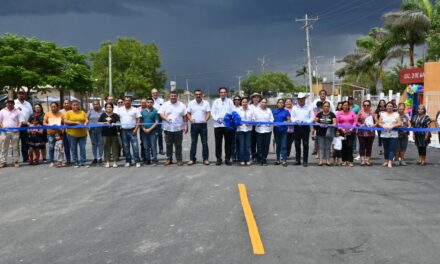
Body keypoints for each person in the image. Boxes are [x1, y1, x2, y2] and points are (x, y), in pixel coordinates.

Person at [158, 91, 188, 166]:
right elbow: (161, 114)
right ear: (169, 96)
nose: (173, 97)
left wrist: (186, 126)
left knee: (178, 145)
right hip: (168, 129)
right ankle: (169, 159)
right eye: (172, 96)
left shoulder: (181, 105)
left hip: (178, 129)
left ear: (177, 96)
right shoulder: (165, 104)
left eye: (175, 96)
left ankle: (179, 159)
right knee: (168, 144)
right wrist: (166, 119)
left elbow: (185, 116)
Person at [211, 87, 234, 166]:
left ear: (226, 93)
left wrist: (229, 119)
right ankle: (218, 159)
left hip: (227, 126)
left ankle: (227, 159)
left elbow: (232, 112)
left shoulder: (230, 101)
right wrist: (217, 119)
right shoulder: (216, 102)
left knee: (228, 143)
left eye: (224, 92)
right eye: (221, 92)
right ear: (219, 93)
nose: (223, 93)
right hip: (218, 125)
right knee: (218, 143)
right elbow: (212, 113)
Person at [187, 89, 211, 166]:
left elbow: (208, 113)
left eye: (199, 94)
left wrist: (206, 119)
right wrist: (190, 119)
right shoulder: (191, 103)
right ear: (195, 95)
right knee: (193, 142)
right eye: (196, 94)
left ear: (201, 95)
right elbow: (188, 113)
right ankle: (192, 159)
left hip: (203, 125)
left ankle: (205, 159)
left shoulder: (206, 103)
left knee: (204, 143)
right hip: (194, 125)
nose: (198, 95)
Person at [63, 100, 89, 168]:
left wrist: (86, 123)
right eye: (74, 105)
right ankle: (75, 162)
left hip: (83, 134)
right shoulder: (68, 113)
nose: (75, 106)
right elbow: (65, 121)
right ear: (71, 106)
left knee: (82, 148)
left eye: (77, 105)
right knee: (73, 148)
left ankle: (83, 162)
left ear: (79, 105)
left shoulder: (82, 112)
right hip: (72, 134)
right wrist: (75, 123)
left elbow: (86, 119)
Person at [291, 92, 314, 167]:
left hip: (305, 128)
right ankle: (297, 160)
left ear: (304, 99)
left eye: (302, 99)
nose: (301, 100)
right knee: (297, 144)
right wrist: (295, 120)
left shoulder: (309, 107)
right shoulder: (294, 108)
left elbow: (312, 117)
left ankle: (305, 161)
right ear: (297, 100)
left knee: (305, 144)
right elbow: (292, 117)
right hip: (297, 127)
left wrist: (307, 122)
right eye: (299, 99)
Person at [118, 96, 141, 168]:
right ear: (124, 101)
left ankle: (137, 161)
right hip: (123, 131)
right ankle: (128, 161)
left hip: (132, 130)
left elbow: (138, 120)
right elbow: (116, 118)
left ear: (131, 102)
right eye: (126, 100)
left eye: (128, 100)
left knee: (135, 146)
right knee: (126, 147)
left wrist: (136, 129)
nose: (127, 102)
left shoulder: (135, 109)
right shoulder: (119, 109)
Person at [0, 99, 24, 168]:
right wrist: (2, 127)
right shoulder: (2, 111)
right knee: (3, 147)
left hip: (15, 132)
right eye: (8, 103)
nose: (10, 104)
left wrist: (17, 128)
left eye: (11, 103)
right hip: (4, 132)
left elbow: (21, 121)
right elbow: (0, 121)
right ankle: (3, 162)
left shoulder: (18, 111)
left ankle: (15, 161)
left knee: (15, 147)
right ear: (6, 104)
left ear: (13, 104)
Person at [379, 102, 402, 168]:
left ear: (393, 107)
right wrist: (383, 125)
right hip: (384, 133)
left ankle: (390, 162)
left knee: (392, 148)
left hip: (393, 134)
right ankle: (386, 160)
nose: (389, 107)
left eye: (391, 106)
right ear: (386, 107)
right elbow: (379, 122)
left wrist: (393, 126)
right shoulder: (382, 114)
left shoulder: (396, 114)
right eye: (388, 106)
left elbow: (399, 123)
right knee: (386, 148)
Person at [98, 103, 120, 168]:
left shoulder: (115, 115)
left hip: (114, 134)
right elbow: (98, 122)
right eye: (107, 107)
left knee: (115, 147)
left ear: (112, 108)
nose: (109, 108)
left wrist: (115, 123)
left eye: (110, 107)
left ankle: (115, 162)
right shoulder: (103, 115)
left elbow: (119, 122)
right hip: (105, 134)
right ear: (105, 108)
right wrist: (104, 122)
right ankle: (107, 162)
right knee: (106, 147)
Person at [315, 101, 337, 166]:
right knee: (321, 147)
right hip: (320, 133)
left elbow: (334, 123)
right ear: (322, 107)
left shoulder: (332, 114)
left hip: (329, 133)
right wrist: (319, 124)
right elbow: (315, 122)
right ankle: (321, 160)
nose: (326, 107)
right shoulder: (319, 114)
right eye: (325, 106)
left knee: (328, 147)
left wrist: (329, 125)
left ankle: (327, 160)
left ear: (329, 107)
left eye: (327, 106)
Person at [336, 101, 357, 167]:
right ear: (342, 106)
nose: (345, 106)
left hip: (351, 132)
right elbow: (337, 122)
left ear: (348, 106)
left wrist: (352, 128)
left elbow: (355, 121)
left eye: (346, 105)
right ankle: (344, 160)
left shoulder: (352, 113)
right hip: (342, 132)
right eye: (344, 105)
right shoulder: (339, 113)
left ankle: (350, 161)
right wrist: (341, 129)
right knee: (344, 146)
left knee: (350, 146)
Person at [15, 88, 33, 163]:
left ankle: (26, 158)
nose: (21, 94)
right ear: (17, 94)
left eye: (23, 93)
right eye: (20, 93)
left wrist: (29, 123)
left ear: (25, 94)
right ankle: (15, 160)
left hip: (25, 126)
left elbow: (31, 115)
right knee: (15, 143)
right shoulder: (13, 103)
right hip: (16, 125)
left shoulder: (28, 104)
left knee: (25, 143)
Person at [44, 102, 64, 167]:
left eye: (54, 106)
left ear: (57, 107)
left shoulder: (61, 114)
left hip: (59, 133)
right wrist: (50, 125)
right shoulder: (47, 114)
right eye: (52, 106)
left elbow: (64, 123)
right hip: (50, 133)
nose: (53, 108)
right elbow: (44, 123)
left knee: (60, 148)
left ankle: (60, 161)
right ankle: (51, 161)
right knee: (51, 147)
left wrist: (61, 128)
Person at [140, 98, 160, 165]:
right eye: (148, 102)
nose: (149, 103)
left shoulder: (155, 111)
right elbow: (140, 121)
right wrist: (143, 129)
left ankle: (154, 160)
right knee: (145, 146)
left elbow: (156, 122)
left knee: (153, 146)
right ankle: (147, 159)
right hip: (144, 132)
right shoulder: (142, 111)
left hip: (153, 131)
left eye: (151, 102)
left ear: (153, 103)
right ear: (146, 103)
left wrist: (149, 129)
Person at [254, 98, 274, 166]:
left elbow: (272, 119)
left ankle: (264, 159)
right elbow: (253, 119)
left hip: (267, 130)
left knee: (266, 146)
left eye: (265, 102)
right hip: (259, 130)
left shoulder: (269, 110)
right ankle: (260, 160)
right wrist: (256, 123)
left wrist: (269, 123)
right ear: (260, 103)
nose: (264, 104)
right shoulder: (256, 110)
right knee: (259, 146)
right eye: (262, 102)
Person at [357, 100, 376, 166]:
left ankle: (367, 160)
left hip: (370, 133)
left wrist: (374, 125)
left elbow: (377, 121)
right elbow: (357, 121)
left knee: (369, 147)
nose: (366, 106)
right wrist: (360, 125)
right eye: (364, 105)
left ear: (370, 106)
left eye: (368, 105)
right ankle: (362, 160)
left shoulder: (372, 112)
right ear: (363, 105)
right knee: (362, 146)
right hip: (361, 132)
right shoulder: (360, 112)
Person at [272, 99, 291, 166]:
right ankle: (278, 160)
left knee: (284, 145)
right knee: (278, 145)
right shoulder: (274, 111)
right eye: (279, 102)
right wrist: (273, 123)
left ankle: (284, 160)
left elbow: (289, 120)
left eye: (282, 103)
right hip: (276, 130)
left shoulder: (286, 111)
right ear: (277, 104)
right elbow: (271, 119)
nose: (280, 104)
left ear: (284, 104)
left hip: (284, 131)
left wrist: (286, 122)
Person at [236, 97, 254, 166]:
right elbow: (236, 120)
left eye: (246, 102)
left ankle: (248, 159)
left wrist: (250, 122)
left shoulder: (251, 110)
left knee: (247, 146)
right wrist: (238, 123)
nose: (244, 103)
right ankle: (242, 160)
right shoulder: (238, 110)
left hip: (249, 130)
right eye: (243, 102)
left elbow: (253, 119)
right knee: (242, 146)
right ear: (241, 103)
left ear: (248, 103)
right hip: (240, 130)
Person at [87, 100, 104, 165]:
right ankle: (95, 158)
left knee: (100, 144)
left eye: (97, 104)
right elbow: (86, 118)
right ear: (92, 105)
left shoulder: (102, 112)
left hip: (101, 130)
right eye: (94, 104)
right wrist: (86, 122)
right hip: (92, 130)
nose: (95, 105)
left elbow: (106, 118)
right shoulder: (90, 111)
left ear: (99, 104)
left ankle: (100, 158)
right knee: (94, 144)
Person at [151, 88, 165, 155]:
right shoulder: (150, 100)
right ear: (151, 94)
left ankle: (161, 149)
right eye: (153, 93)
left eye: (156, 93)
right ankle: (152, 150)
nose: (155, 94)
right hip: (151, 119)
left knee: (160, 135)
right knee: (152, 135)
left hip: (159, 118)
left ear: (158, 93)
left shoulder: (162, 100)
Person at [249, 93, 261, 162]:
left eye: (257, 97)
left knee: (259, 142)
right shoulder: (250, 106)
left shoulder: (261, 106)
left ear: (259, 99)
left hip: (260, 126)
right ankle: (253, 155)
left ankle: (259, 155)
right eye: (254, 97)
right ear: (252, 99)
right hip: (252, 126)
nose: (256, 99)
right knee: (252, 142)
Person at [60, 99, 72, 165]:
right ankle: (68, 159)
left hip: (72, 130)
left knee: (72, 146)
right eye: (65, 103)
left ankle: (75, 159)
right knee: (66, 146)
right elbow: (59, 121)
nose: (66, 104)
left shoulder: (72, 111)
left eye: (67, 103)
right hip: (63, 131)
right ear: (63, 104)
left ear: (70, 104)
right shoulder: (60, 112)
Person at [232, 96, 242, 162]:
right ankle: (233, 156)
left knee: (239, 143)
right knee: (233, 143)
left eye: (238, 99)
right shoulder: (231, 108)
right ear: (234, 101)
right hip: (233, 128)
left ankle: (239, 156)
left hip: (241, 128)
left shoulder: (242, 108)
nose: (237, 101)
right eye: (236, 99)